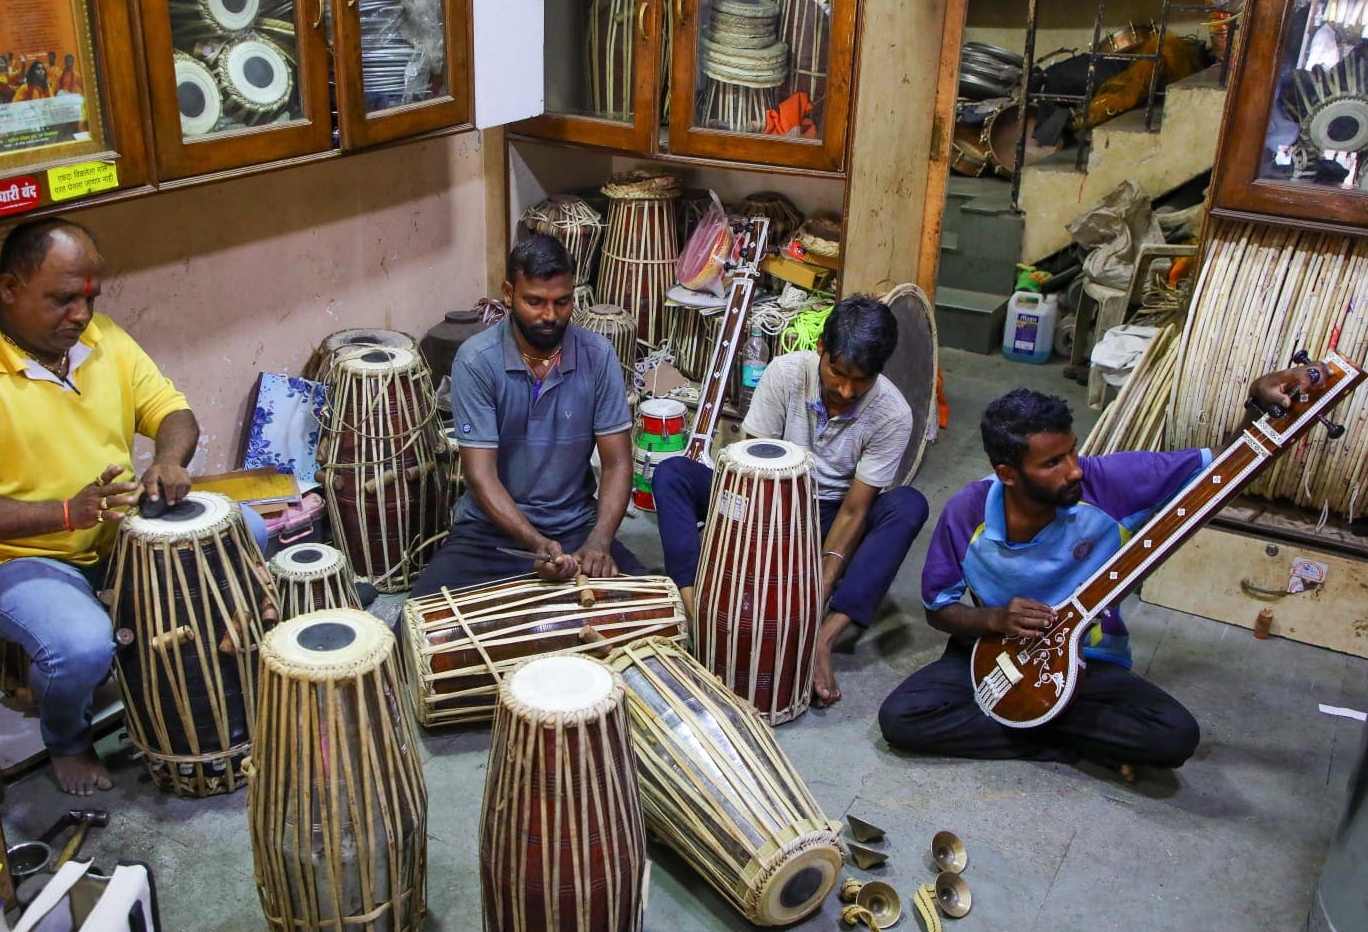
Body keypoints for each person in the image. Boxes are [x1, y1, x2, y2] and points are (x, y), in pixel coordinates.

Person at [0, 218, 251, 795]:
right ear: (11, 288)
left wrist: (169, 461)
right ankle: (66, 740)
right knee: (80, 646)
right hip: (10, 558)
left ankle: (188, 691)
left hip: (113, 534)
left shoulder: (104, 340)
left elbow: (172, 411)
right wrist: (66, 513)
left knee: (251, 535)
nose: (81, 315)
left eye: (90, 297)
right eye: (63, 299)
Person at [878, 366, 1318, 778]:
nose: (1074, 471)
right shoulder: (965, 513)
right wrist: (993, 619)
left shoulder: (1108, 482)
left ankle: (1029, 728)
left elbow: (1218, 468)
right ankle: (1076, 746)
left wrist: (1257, 409)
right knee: (902, 719)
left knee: (1174, 735)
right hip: (995, 653)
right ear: (1007, 474)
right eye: (1052, 464)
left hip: (1087, 662)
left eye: (1072, 452)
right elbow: (939, 608)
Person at [652, 295, 930, 708]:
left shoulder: (893, 413)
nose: (846, 389)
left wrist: (811, 602)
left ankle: (823, 639)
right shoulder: (785, 374)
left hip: (833, 512)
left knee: (908, 505)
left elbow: (856, 509)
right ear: (821, 348)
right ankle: (697, 608)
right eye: (838, 373)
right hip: (768, 495)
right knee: (671, 474)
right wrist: (747, 545)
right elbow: (748, 466)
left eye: (862, 380)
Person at [405, 234, 644, 600]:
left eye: (562, 302)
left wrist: (599, 541)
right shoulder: (477, 360)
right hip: (490, 534)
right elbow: (480, 476)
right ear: (509, 293)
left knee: (652, 611)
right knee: (420, 623)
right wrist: (537, 543)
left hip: (577, 528)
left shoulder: (598, 355)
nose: (550, 315)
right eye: (535, 301)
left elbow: (616, 464)